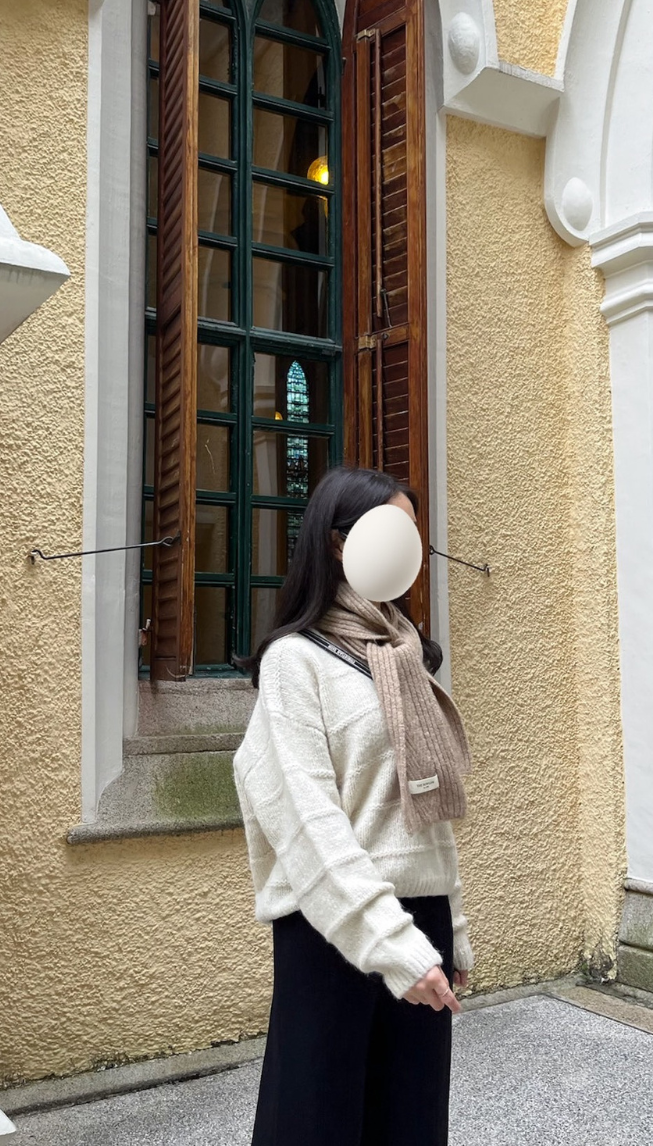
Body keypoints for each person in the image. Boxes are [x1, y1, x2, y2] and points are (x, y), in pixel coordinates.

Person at [233, 463, 474, 1146]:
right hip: (331, 927)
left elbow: (423, 812)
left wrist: (451, 927)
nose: (409, 544)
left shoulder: (403, 654)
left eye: (413, 530)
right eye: (393, 527)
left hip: (418, 923)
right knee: (318, 1124)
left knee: (409, 1124)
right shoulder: (295, 662)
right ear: (339, 543)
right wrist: (392, 944)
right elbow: (308, 820)